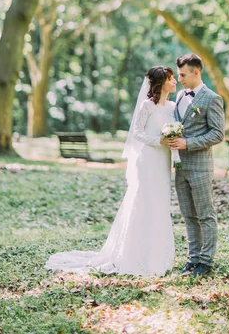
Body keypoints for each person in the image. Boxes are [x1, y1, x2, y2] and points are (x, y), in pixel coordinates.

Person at [45, 66, 177, 277]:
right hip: (148, 160)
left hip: (163, 161)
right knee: (144, 202)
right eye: (171, 79)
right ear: (161, 83)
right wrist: (158, 141)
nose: (175, 82)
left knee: (160, 203)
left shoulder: (172, 106)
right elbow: (137, 132)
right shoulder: (147, 106)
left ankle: (158, 255)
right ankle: (135, 255)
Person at [169, 53, 225, 277]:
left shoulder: (212, 99)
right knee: (189, 215)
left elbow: (218, 134)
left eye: (183, 74)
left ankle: (206, 261)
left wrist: (188, 143)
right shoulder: (181, 96)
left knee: (205, 215)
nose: (179, 79)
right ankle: (193, 259)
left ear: (196, 72)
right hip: (180, 167)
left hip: (200, 165)